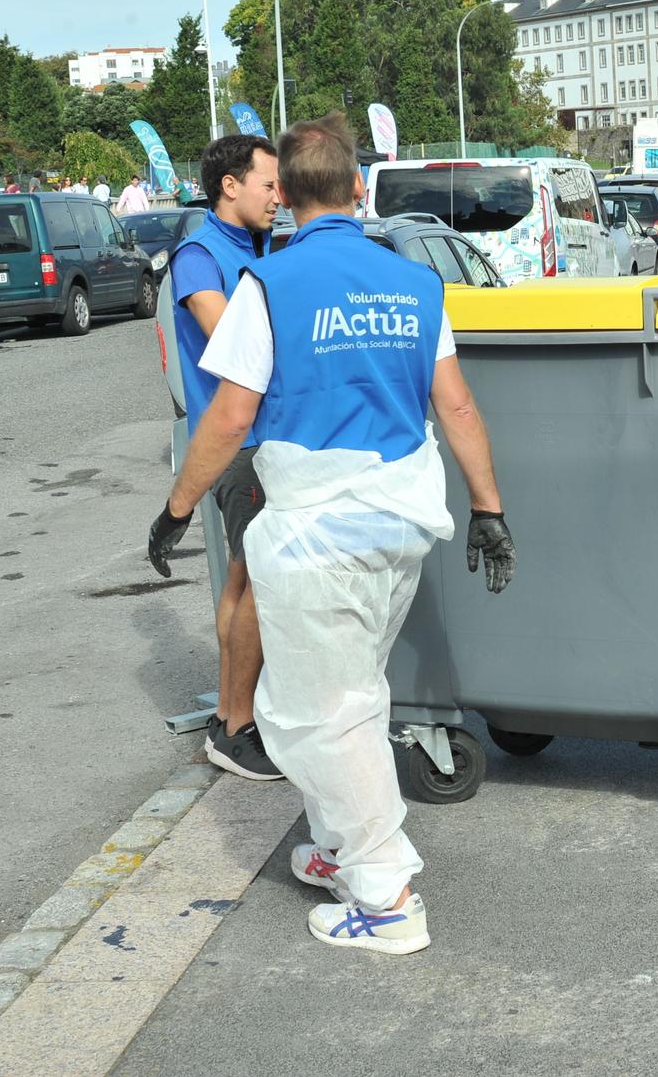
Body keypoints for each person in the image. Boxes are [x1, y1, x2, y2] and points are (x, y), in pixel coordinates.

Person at [146, 112, 517, 955]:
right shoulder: (415, 284)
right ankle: (338, 852)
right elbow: (454, 405)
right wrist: (489, 508)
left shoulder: (267, 288)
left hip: (317, 536)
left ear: (288, 198)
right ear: (357, 189)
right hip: (400, 528)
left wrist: (175, 509)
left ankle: (387, 901)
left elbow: (231, 416)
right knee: (354, 691)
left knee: (324, 712)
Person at [170, 133, 284, 781]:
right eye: (268, 183)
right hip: (236, 445)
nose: (279, 195)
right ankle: (237, 725)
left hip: (265, 438)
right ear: (229, 185)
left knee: (244, 579)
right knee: (261, 584)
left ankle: (233, 713)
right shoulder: (198, 254)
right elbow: (230, 336)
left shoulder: (260, 246)